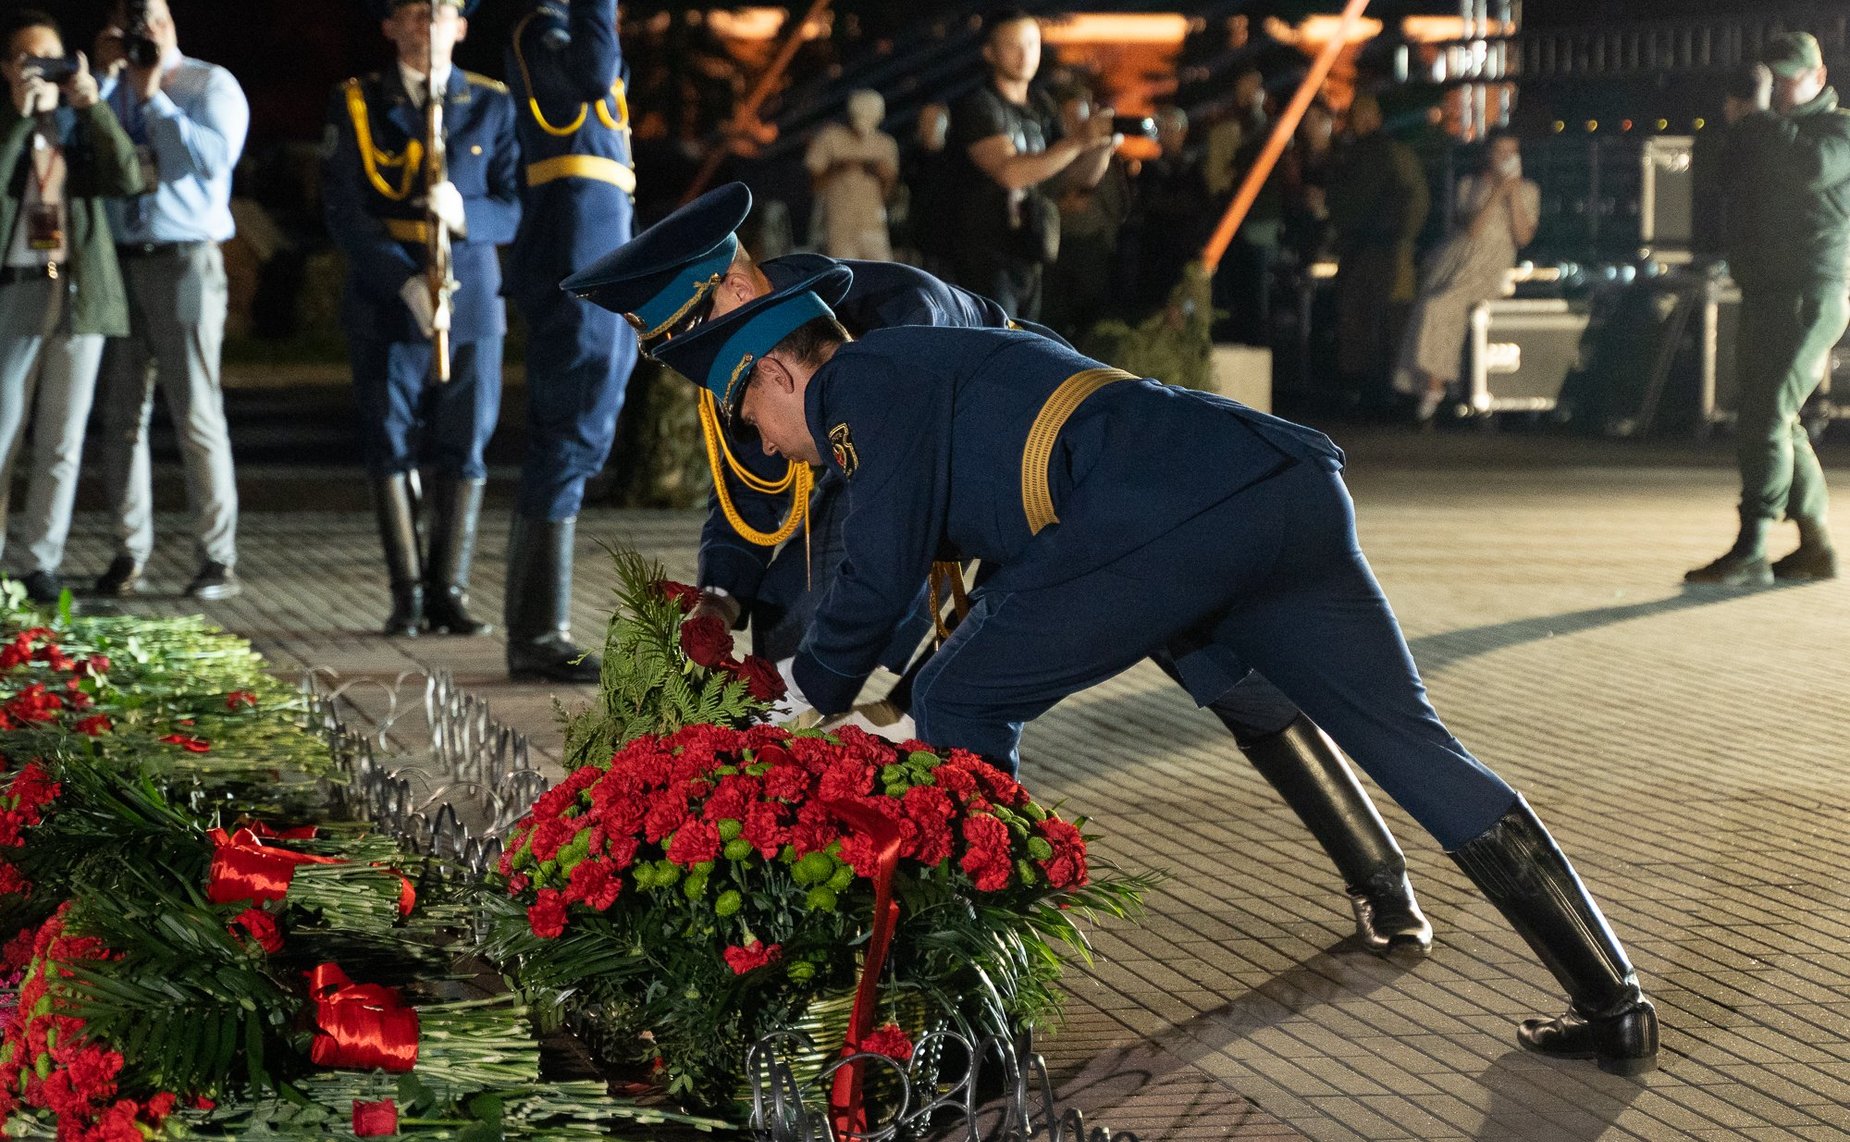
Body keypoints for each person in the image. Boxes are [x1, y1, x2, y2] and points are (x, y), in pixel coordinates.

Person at [652, 266, 1661, 1076]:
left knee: (963, 699)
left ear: (782, 374)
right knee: (1410, 740)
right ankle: (1612, 1000)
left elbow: (873, 578)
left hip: (1158, 512)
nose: (763, 445)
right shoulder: (929, 367)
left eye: (750, 418)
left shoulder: (858, 386)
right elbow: (1003, 577)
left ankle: (988, 1030)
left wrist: (800, 697)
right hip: (1277, 485)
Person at [567, 183, 1436, 955]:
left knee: (1223, 673)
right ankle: (862, 903)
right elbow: (756, 481)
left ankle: (1377, 878)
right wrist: (722, 589)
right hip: (939, 521)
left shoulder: (894, 318)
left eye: (692, 325)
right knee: (831, 697)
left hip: (1060, 496)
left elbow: (911, 542)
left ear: (734, 285)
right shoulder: (758, 346)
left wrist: (884, 693)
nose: (695, 354)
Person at [321, 0, 519, 636]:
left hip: (471, 298)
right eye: (412, 13)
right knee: (390, 439)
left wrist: (466, 214)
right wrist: (404, 281)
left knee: (466, 442)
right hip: (388, 297)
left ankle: (449, 591)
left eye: (442, 14)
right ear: (389, 26)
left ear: (462, 27)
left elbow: (516, 209)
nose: (427, 26)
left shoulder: (492, 103)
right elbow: (346, 210)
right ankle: (406, 593)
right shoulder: (358, 103)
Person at [89, 0, 248, 599]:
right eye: (132, 20)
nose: (145, 30)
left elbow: (210, 162)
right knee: (121, 418)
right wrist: (105, 81)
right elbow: (84, 153)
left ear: (173, 20)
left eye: (153, 16)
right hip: (121, 261)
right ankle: (129, 552)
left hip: (185, 260)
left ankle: (218, 559)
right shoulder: (108, 88)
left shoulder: (208, 84)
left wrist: (153, 95)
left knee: (196, 412)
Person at [502, 0, 636, 680]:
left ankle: (538, 626)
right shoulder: (538, 29)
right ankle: (534, 632)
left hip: (604, 255)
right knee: (567, 432)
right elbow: (590, 78)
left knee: (584, 436)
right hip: (573, 255)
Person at [1688, 32, 1850, 586]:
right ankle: (1816, 547)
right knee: (1777, 418)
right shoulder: (1762, 131)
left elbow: (1805, 169)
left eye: (1789, 78)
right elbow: (1710, 176)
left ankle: (1753, 546)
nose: (1778, 90)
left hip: (1810, 295)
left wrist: (1755, 120)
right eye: (1771, 78)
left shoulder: (1839, 130)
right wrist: (1733, 122)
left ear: (1819, 78)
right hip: (1764, 291)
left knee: (1763, 417)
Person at [0, 12, 141, 603]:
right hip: (15, 288)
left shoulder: (77, 125)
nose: (44, 73)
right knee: (4, 431)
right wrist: (17, 119)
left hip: (78, 291)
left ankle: (39, 561)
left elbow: (128, 177)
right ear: (8, 68)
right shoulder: (6, 124)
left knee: (62, 438)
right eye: (31, 61)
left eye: (54, 60)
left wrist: (91, 106)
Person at [947, 8, 1116, 321]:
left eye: (1032, 44)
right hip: (985, 255)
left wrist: (1102, 147)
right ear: (989, 52)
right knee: (993, 347)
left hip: (1031, 252)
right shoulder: (979, 105)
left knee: (1030, 350)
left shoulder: (1041, 106)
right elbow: (1010, 173)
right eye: (1013, 45)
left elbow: (1074, 178)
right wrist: (1078, 141)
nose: (1025, 54)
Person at [1394, 131, 1539, 423]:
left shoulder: (1529, 190)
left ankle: (1435, 386)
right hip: (1458, 259)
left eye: (1512, 152)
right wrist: (1496, 191)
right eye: (1501, 152)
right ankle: (1429, 385)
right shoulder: (1469, 185)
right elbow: (1471, 229)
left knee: (1441, 306)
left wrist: (1511, 195)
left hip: (1491, 266)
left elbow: (1523, 236)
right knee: (1428, 304)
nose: (1506, 158)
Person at [1328, 93, 1428, 414]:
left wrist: (1402, 239)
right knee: (1359, 317)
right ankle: (1367, 389)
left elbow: (1415, 202)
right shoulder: (1358, 154)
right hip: (1363, 247)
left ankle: (1384, 391)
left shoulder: (1388, 155)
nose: (1358, 121)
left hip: (1384, 249)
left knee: (1385, 318)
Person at [804, 88, 898, 261]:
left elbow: (890, 190)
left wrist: (880, 174)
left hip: (873, 226)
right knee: (845, 275)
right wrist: (840, 167)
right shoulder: (830, 138)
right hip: (839, 227)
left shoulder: (885, 144)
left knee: (882, 276)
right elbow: (813, 183)